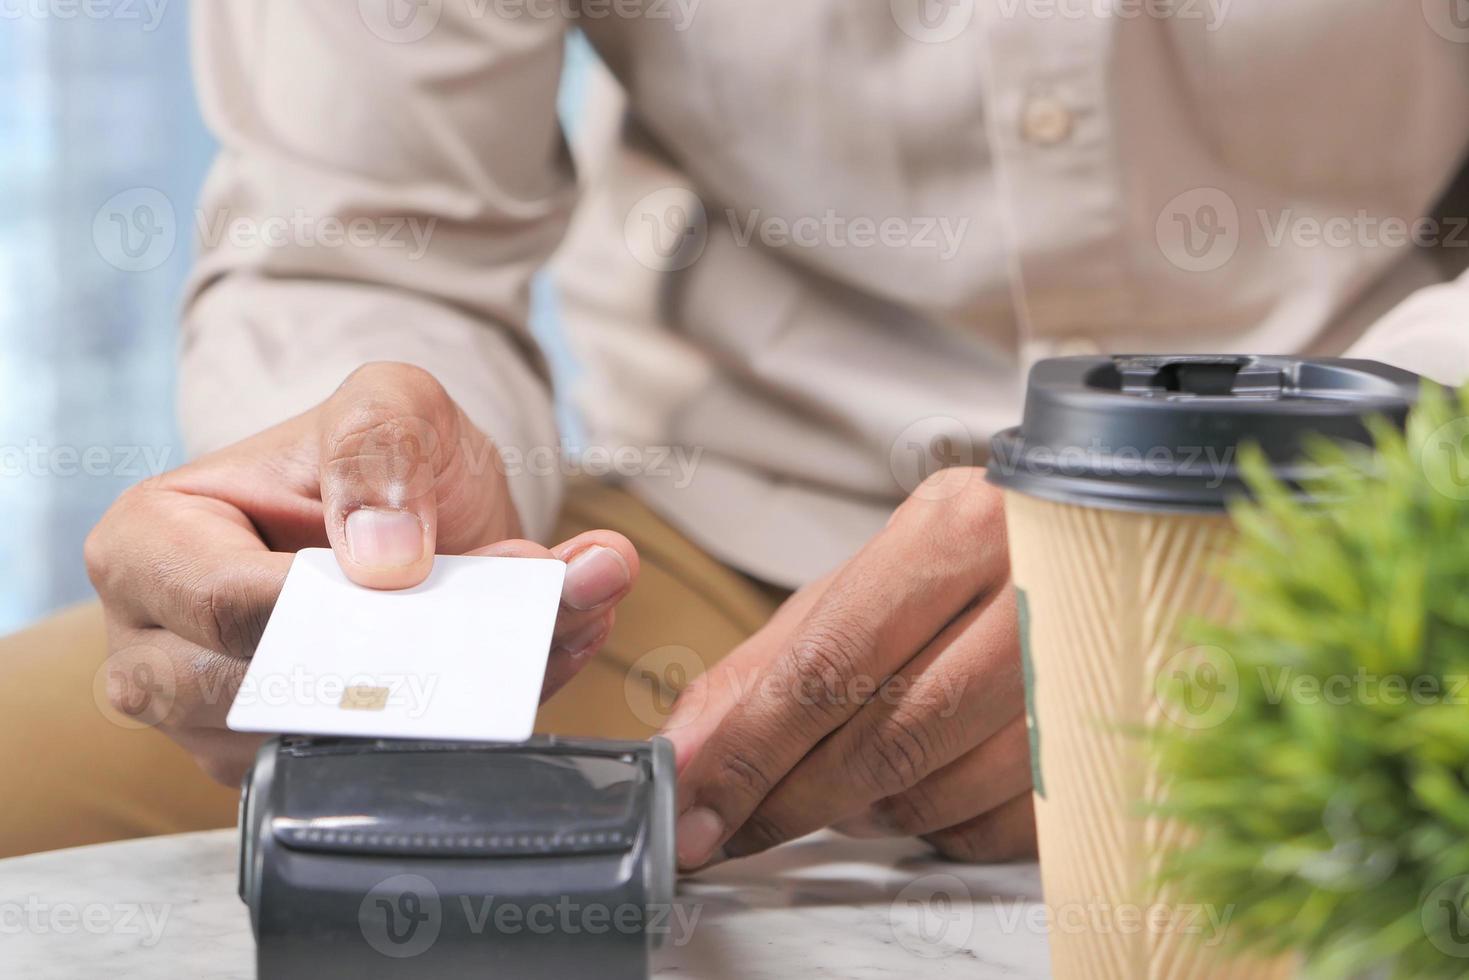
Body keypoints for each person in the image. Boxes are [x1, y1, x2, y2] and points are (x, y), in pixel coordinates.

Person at [5, 3, 1469, 865]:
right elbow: (369, 242)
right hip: (690, 552)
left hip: (1376, 534)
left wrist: (1269, 524)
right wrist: (346, 501)